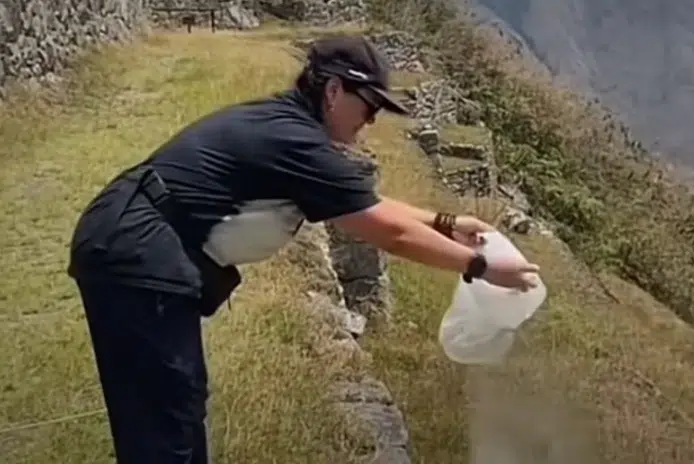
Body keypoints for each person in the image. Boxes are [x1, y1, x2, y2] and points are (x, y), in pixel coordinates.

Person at [67, 34, 540, 463]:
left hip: (136, 241)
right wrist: (479, 266)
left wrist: (446, 223)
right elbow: (385, 231)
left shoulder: (294, 131)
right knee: (164, 417)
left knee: (178, 405)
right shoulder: (296, 142)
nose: (371, 120)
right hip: (136, 251)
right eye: (369, 105)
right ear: (333, 91)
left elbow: (365, 204)